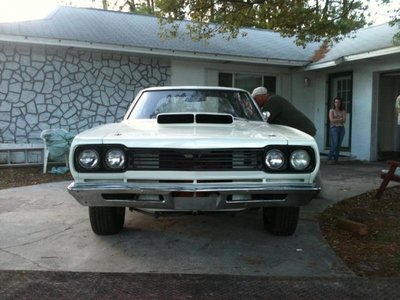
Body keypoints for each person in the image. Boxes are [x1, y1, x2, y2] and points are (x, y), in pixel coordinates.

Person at [251, 86, 317, 136]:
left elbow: (263, 120)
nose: (254, 101)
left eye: (254, 99)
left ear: (261, 97)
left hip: (303, 130)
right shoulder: (272, 100)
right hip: (301, 130)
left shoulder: (272, 101)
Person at [327, 97, 346, 164]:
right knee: (335, 144)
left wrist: (336, 119)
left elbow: (344, 120)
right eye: (336, 102)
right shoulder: (331, 111)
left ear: (341, 103)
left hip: (341, 128)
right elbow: (331, 120)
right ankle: (329, 159)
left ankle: (336, 160)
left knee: (339, 145)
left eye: (339, 102)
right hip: (334, 128)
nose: (337, 104)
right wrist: (339, 119)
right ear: (334, 103)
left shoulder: (343, 111)